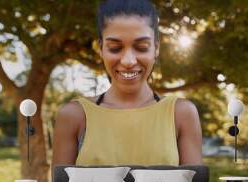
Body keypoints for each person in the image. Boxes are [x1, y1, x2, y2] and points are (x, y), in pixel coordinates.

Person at [52, 0, 202, 167]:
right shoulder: (74, 116)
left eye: (141, 47)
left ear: (156, 48)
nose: (128, 61)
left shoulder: (181, 114)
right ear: (101, 49)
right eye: (115, 48)